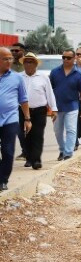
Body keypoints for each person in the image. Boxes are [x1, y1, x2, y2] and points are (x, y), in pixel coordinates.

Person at [0, 47, 31, 191]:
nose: (9, 61)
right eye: (5, 58)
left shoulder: (17, 77)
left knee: (8, 151)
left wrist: (27, 118)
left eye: (10, 58)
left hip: (10, 119)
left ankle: (3, 180)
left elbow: (23, 100)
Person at [20, 52, 58, 169]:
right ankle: (28, 158)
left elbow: (50, 94)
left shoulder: (43, 77)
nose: (28, 64)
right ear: (24, 64)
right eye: (26, 61)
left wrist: (54, 109)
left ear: (36, 64)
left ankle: (36, 160)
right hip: (22, 111)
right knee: (25, 135)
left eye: (31, 62)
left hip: (39, 111)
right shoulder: (18, 77)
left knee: (37, 135)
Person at [49, 50, 81, 161]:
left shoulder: (78, 74)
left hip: (72, 106)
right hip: (57, 107)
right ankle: (62, 150)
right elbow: (49, 91)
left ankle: (68, 153)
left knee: (71, 130)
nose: (65, 59)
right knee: (57, 131)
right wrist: (50, 107)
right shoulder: (55, 72)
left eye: (68, 58)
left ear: (74, 59)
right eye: (63, 57)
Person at [11, 43, 26, 160]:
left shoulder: (28, 63)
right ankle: (25, 151)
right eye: (13, 51)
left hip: (25, 101)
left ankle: (28, 151)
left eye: (17, 51)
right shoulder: (9, 64)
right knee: (18, 129)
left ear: (23, 51)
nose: (14, 53)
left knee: (28, 127)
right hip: (12, 102)